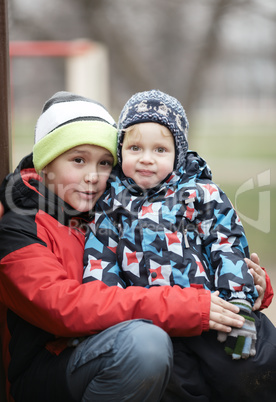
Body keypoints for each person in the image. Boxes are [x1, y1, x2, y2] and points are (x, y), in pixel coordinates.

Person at [0, 91, 254, 402]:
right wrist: (190, 306)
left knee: (229, 354)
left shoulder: (109, 206)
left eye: (105, 163)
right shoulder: (17, 228)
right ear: (46, 162)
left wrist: (249, 282)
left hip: (120, 342)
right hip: (52, 365)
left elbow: (177, 256)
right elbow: (64, 308)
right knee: (145, 345)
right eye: (78, 160)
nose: (93, 176)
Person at [83, 90, 276, 401]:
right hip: (155, 324)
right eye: (135, 147)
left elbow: (226, 245)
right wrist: (107, 325)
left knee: (248, 373)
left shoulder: (200, 194)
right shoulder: (109, 204)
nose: (146, 158)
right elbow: (101, 259)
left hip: (214, 315)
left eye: (159, 149)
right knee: (180, 388)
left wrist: (238, 298)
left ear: (178, 154)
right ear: (121, 150)